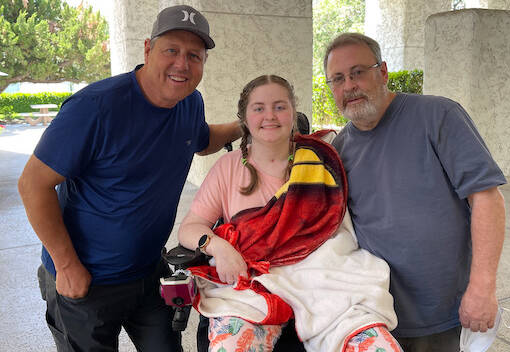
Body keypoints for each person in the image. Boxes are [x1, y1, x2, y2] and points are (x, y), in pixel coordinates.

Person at [17, 5, 240, 352]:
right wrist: (66, 265)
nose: (182, 64)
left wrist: (252, 124)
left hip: (147, 272)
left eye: (194, 56)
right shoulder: (95, 108)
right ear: (148, 49)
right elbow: (33, 184)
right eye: (172, 51)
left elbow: (200, 138)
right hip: (85, 281)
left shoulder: (190, 102)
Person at [177, 74, 402, 352]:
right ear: (244, 118)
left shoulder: (322, 159)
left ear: (293, 113)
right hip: (254, 284)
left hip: (325, 279)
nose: (270, 116)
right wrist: (219, 248)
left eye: (280, 106)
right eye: (259, 108)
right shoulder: (228, 167)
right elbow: (190, 227)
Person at [325, 33, 507, 351]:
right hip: (375, 315)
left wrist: (483, 286)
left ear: (382, 72)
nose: (348, 86)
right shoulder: (339, 149)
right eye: (337, 79)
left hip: (443, 312)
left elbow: (487, 198)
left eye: (357, 72)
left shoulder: (439, 116)